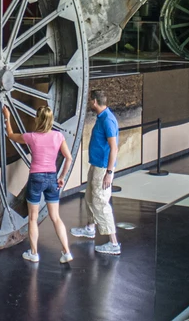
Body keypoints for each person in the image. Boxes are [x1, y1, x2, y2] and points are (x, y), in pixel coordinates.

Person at [3, 104, 74, 265]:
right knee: (55, 217)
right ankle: (66, 251)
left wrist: (7, 116)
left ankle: (34, 253)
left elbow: (11, 135)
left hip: (36, 178)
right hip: (52, 177)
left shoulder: (32, 137)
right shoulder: (58, 136)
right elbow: (68, 158)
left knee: (33, 219)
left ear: (37, 119)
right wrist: (61, 176)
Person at [72, 90, 120, 255]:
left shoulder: (107, 120)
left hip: (102, 168)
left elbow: (114, 147)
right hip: (97, 165)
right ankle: (90, 228)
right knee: (90, 197)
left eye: (89, 101)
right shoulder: (103, 117)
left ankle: (113, 243)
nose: (88, 104)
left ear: (94, 102)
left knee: (100, 202)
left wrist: (109, 172)